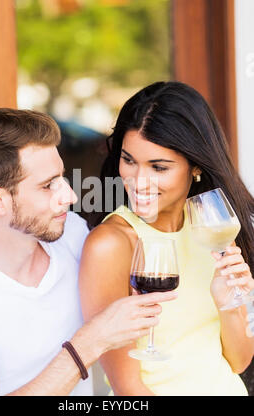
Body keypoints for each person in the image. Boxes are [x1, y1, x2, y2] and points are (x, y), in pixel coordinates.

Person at [0, 108, 178, 396]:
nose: (70, 197)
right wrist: (89, 342)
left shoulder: (71, 234)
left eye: (63, 178)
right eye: (48, 186)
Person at [79, 81, 254, 396]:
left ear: (196, 164)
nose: (138, 181)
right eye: (129, 160)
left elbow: (239, 361)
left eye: (158, 167)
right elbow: (128, 388)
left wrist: (230, 304)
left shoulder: (213, 229)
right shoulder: (111, 244)